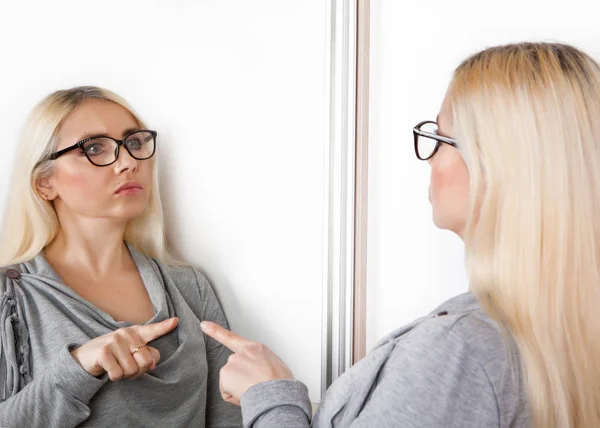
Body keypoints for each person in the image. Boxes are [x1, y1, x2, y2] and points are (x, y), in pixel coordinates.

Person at [201, 42, 600, 428]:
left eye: (440, 140)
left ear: (496, 165)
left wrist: (269, 393)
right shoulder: (566, 328)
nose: (430, 160)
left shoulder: (459, 351)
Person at [0, 86, 242, 427]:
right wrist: (79, 366)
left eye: (133, 143)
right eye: (94, 148)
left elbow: (228, 417)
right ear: (45, 183)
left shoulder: (189, 286)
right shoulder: (11, 297)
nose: (129, 162)